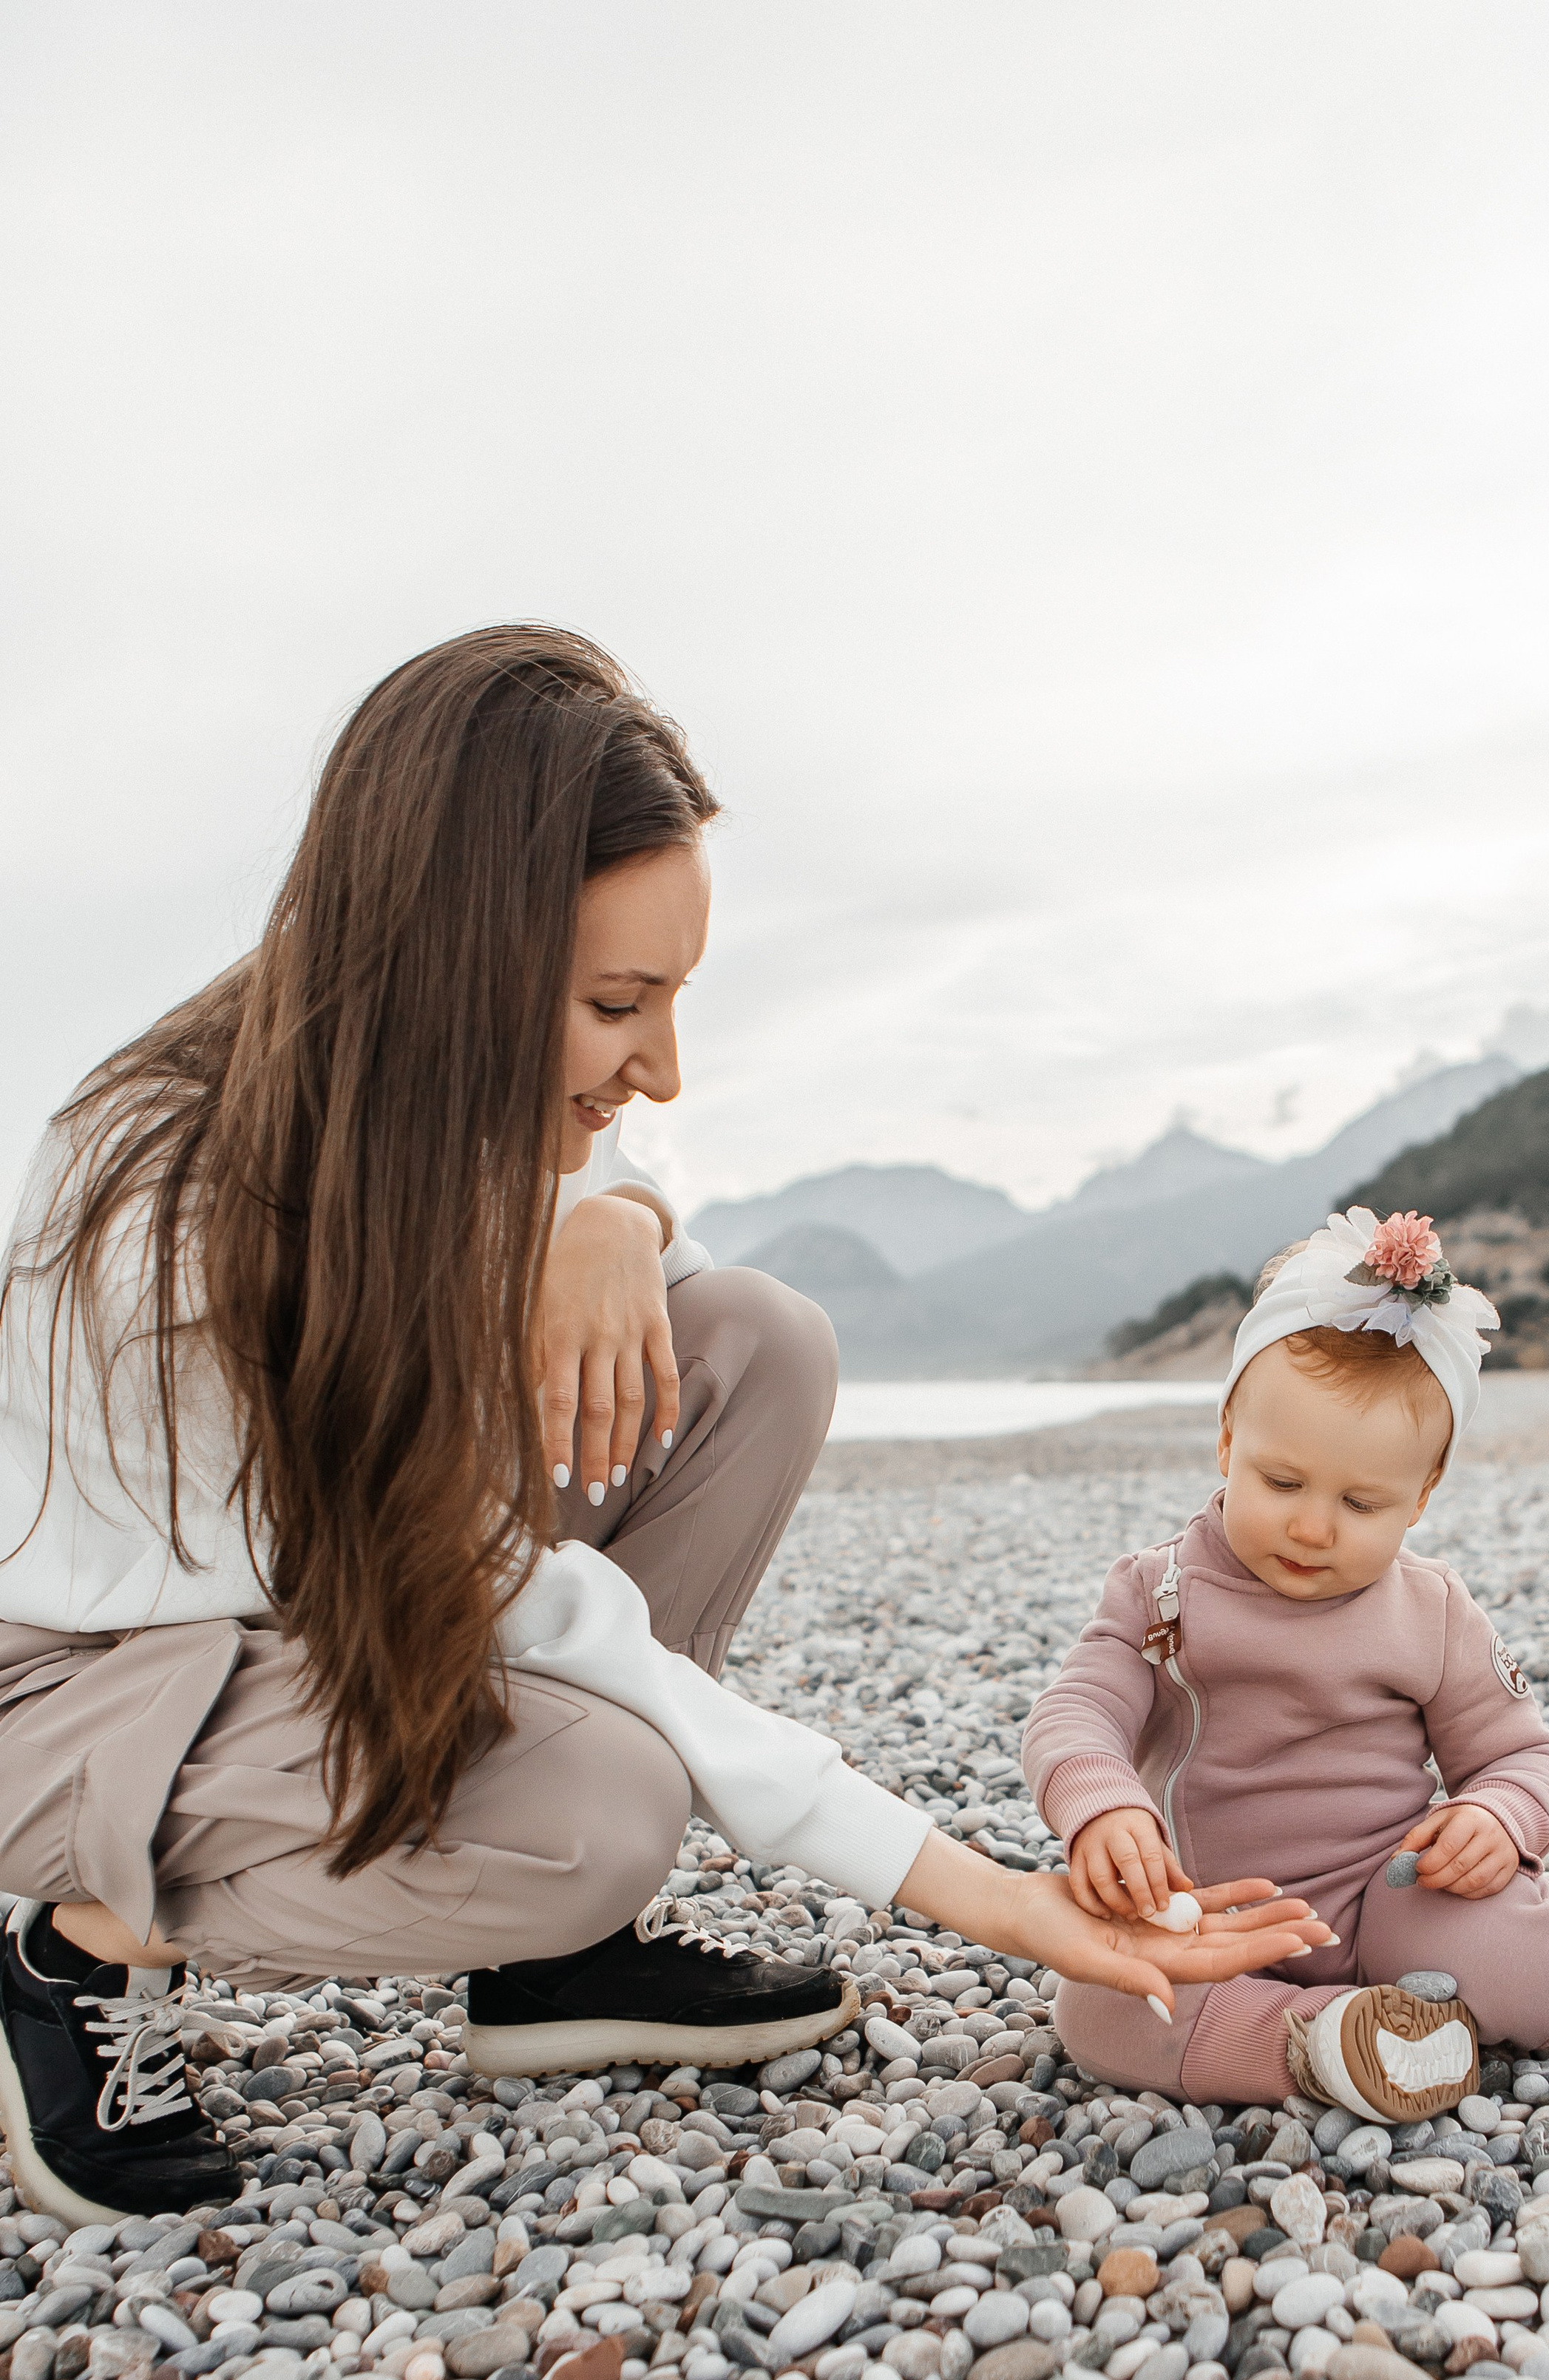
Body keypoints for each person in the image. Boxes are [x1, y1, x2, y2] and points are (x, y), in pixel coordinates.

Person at [0, 625, 1322, 2228]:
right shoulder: (171, 1206)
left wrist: (607, 1219)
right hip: (81, 1677)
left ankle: (546, 1967)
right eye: (619, 1001)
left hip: (303, 1619)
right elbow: (524, 1607)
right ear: (449, 956)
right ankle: (81, 1957)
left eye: (672, 997)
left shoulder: (436, 1105)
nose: (666, 1068)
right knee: (602, 1807)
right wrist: (999, 1903)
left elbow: (665, 1294)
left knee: (754, 1343)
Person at [1024, 1206, 1549, 2119]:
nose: (1312, 1525)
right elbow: (1076, 1711)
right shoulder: (1158, 1591)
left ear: (1421, 1497)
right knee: (1099, 2004)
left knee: (1492, 1936)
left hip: (1389, 1894)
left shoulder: (1431, 1611)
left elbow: (1522, 1757)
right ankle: (1323, 2042)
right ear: (1226, 1443)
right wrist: (1102, 1805)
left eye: (1361, 1502)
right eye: (1280, 1482)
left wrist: (1497, 1816)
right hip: (1203, 1912)